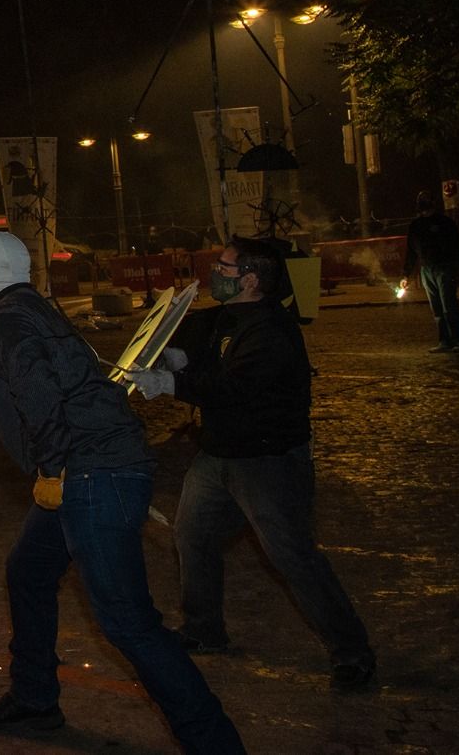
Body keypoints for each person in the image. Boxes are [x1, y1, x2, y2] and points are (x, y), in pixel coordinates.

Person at [0, 231, 245, 752]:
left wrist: (54, 470)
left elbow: (40, 400)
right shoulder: (28, 308)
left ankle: (216, 745)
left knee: (129, 623)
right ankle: (35, 699)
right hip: (93, 466)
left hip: (89, 475)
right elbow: (47, 386)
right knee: (28, 571)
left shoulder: (6, 320)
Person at [128, 237, 377, 693]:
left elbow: (233, 388)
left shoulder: (272, 332)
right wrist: (168, 350)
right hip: (219, 455)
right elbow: (199, 337)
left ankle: (352, 653)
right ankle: (204, 631)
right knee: (192, 537)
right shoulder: (229, 315)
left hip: (267, 463)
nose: (214, 273)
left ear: (250, 279)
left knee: (294, 558)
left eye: (223, 267)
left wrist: (170, 382)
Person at [400, 191, 459, 353]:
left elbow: (458, 245)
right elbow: (411, 252)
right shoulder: (416, 226)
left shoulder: (444, 223)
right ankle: (445, 341)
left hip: (444, 266)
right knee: (437, 308)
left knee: (449, 305)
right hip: (427, 269)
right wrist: (405, 274)